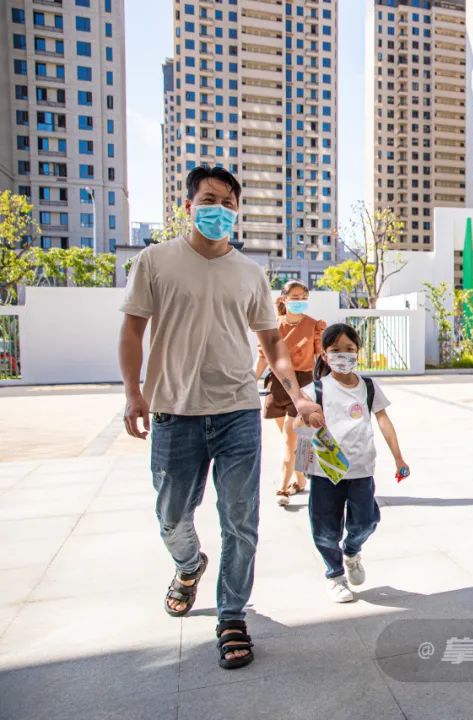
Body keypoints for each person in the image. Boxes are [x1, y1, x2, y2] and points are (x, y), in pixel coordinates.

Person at [118, 165, 323, 671]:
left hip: (236, 412)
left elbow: (272, 342)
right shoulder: (155, 261)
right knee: (171, 517)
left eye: (229, 203)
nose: (220, 210)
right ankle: (188, 566)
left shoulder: (250, 273)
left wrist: (296, 395)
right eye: (210, 199)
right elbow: (132, 332)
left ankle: (232, 614)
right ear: (188, 206)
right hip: (173, 412)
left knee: (241, 522)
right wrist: (133, 393)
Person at [294, 323, 408, 603]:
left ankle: (352, 551)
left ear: (358, 352)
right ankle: (334, 576)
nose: (343, 356)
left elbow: (383, 420)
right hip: (325, 472)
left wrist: (398, 457)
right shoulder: (315, 389)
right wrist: (307, 418)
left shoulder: (368, 386)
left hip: (361, 469)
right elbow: (297, 425)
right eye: (336, 350)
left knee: (366, 521)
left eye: (349, 350)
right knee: (325, 529)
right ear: (324, 354)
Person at [254, 280, 326, 507]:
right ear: (284, 299)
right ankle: (301, 479)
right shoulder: (273, 325)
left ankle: (282, 488)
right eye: (294, 297)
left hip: (302, 384)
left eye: (303, 297)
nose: (299, 301)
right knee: (288, 439)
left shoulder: (314, 325)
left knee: (289, 438)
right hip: (276, 384)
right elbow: (263, 356)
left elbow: (320, 358)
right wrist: (249, 380)